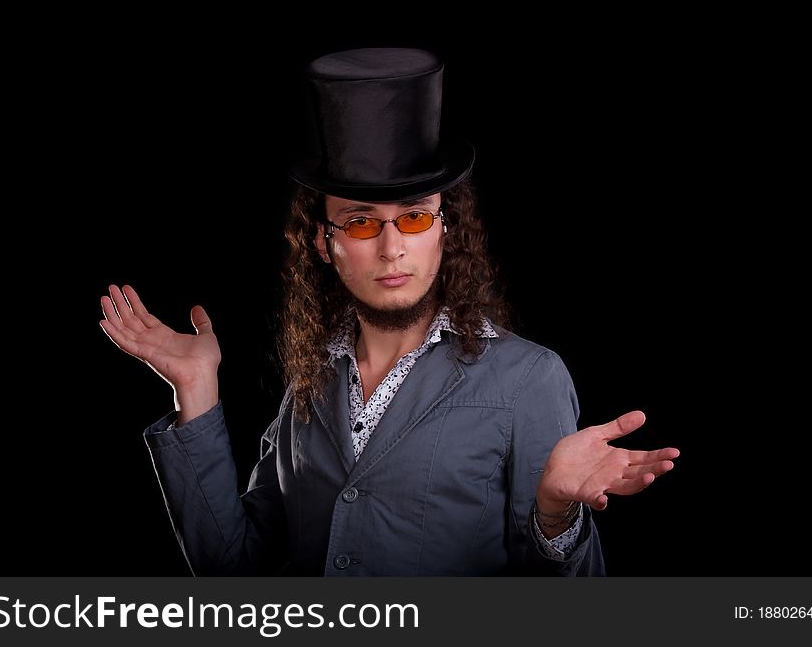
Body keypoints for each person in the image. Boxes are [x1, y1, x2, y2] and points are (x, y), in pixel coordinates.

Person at [99, 48, 679, 576]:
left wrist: (556, 519)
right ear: (325, 244)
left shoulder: (530, 379)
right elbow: (231, 566)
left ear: (445, 231)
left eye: (416, 217)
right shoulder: (309, 383)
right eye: (358, 221)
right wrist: (196, 394)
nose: (391, 246)